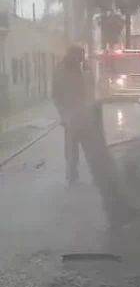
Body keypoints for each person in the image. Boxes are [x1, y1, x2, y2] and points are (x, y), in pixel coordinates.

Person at [52, 46, 89, 185]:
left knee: (88, 144)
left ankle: (86, 172)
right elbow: (56, 94)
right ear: (73, 55)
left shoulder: (78, 68)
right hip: (70, 113)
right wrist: (63, 114)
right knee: (71, 146)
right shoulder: (62, 70)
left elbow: (85, 89)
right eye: (80, 55)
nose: (82, 58)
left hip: (83, 112)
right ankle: (72, 174)